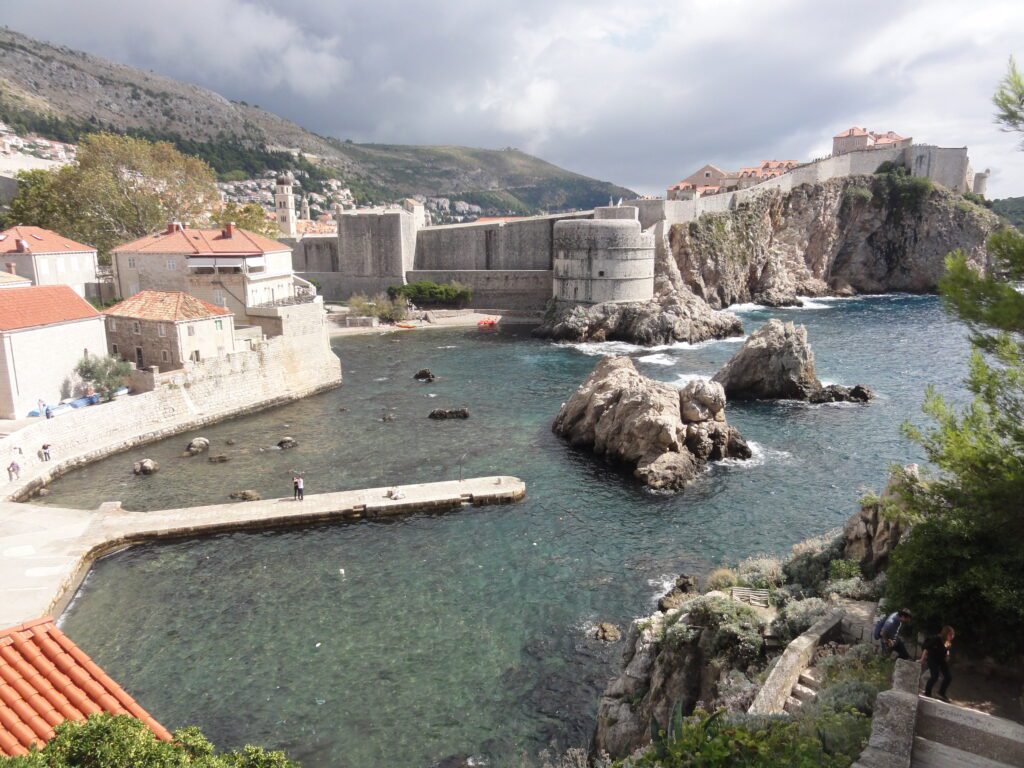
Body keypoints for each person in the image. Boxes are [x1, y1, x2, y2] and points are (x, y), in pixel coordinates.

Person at [921, 626, 955, 702]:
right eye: (950, 635)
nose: (952, 637)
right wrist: (922, 659)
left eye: (952, 635)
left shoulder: (947, 642)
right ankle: (927, 692)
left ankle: (941, 693)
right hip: (932, 659)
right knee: (934, 676)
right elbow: (926, 648)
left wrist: (947, 655)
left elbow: (947, 650)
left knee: (948, 677)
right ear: (945, 634)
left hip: (941, 660)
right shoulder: (936, 639)